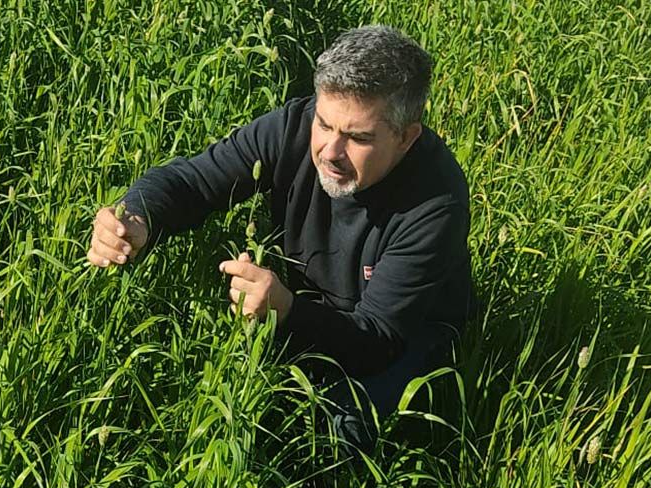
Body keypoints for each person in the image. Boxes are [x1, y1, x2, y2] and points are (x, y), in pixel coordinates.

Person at [87, 25, 477, 454]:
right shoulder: (293, 125)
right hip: (303, 301)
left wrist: (288, 312)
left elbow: (378, 339)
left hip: (401, 332)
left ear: (406, 137)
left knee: (337, 430)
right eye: (324, 123)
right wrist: (138, 217)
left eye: (358, 137)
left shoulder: (435, 204)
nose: (330, 150)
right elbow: (194, 179)